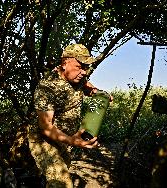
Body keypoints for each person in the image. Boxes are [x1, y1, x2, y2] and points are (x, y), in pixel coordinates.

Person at [29, 44, 102, 188]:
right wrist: (73, 141)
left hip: (64, 140)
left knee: (61, 170)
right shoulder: (48, 87)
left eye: (86, 67)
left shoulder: (78, 78)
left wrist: (101, 95)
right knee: (62, 182)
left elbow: (89, 88)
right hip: (43, 141)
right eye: (79, 66)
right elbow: (45, 127)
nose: (84, 72)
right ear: (64, 63)